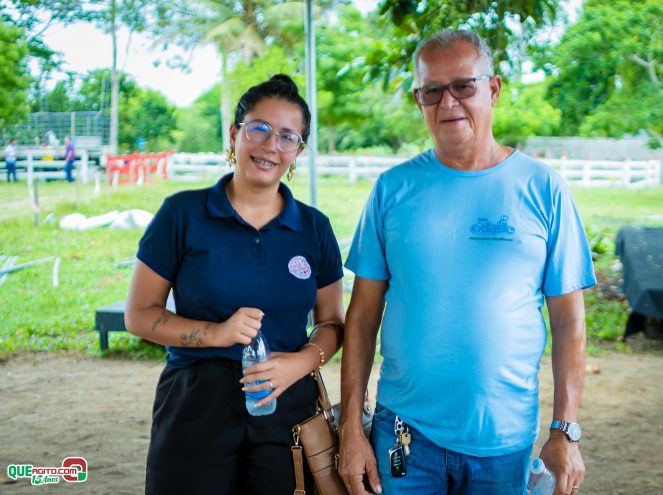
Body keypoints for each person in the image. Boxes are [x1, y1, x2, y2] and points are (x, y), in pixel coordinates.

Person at [338, 29, 596, 495]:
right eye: (431, 90)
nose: (448, 102)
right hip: (404, 436)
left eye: (464, 85)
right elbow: (361, 319)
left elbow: (569, 320)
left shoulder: (544, 189)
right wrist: (352, 428)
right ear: (419, 99)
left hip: (504, 442)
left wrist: (565, 430)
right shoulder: (392, 190)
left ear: (493, 89)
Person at [125, 74, 345, 495]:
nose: (270, 146)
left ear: (298, 151)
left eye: (287, 137)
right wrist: (216, 334)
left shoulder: (314, 228)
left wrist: (299, 364)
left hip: (287, 407)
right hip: (195, 403)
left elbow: (333, 322)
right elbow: (139, 315)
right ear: (235, 133)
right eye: (259, 128)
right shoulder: (182, 214)